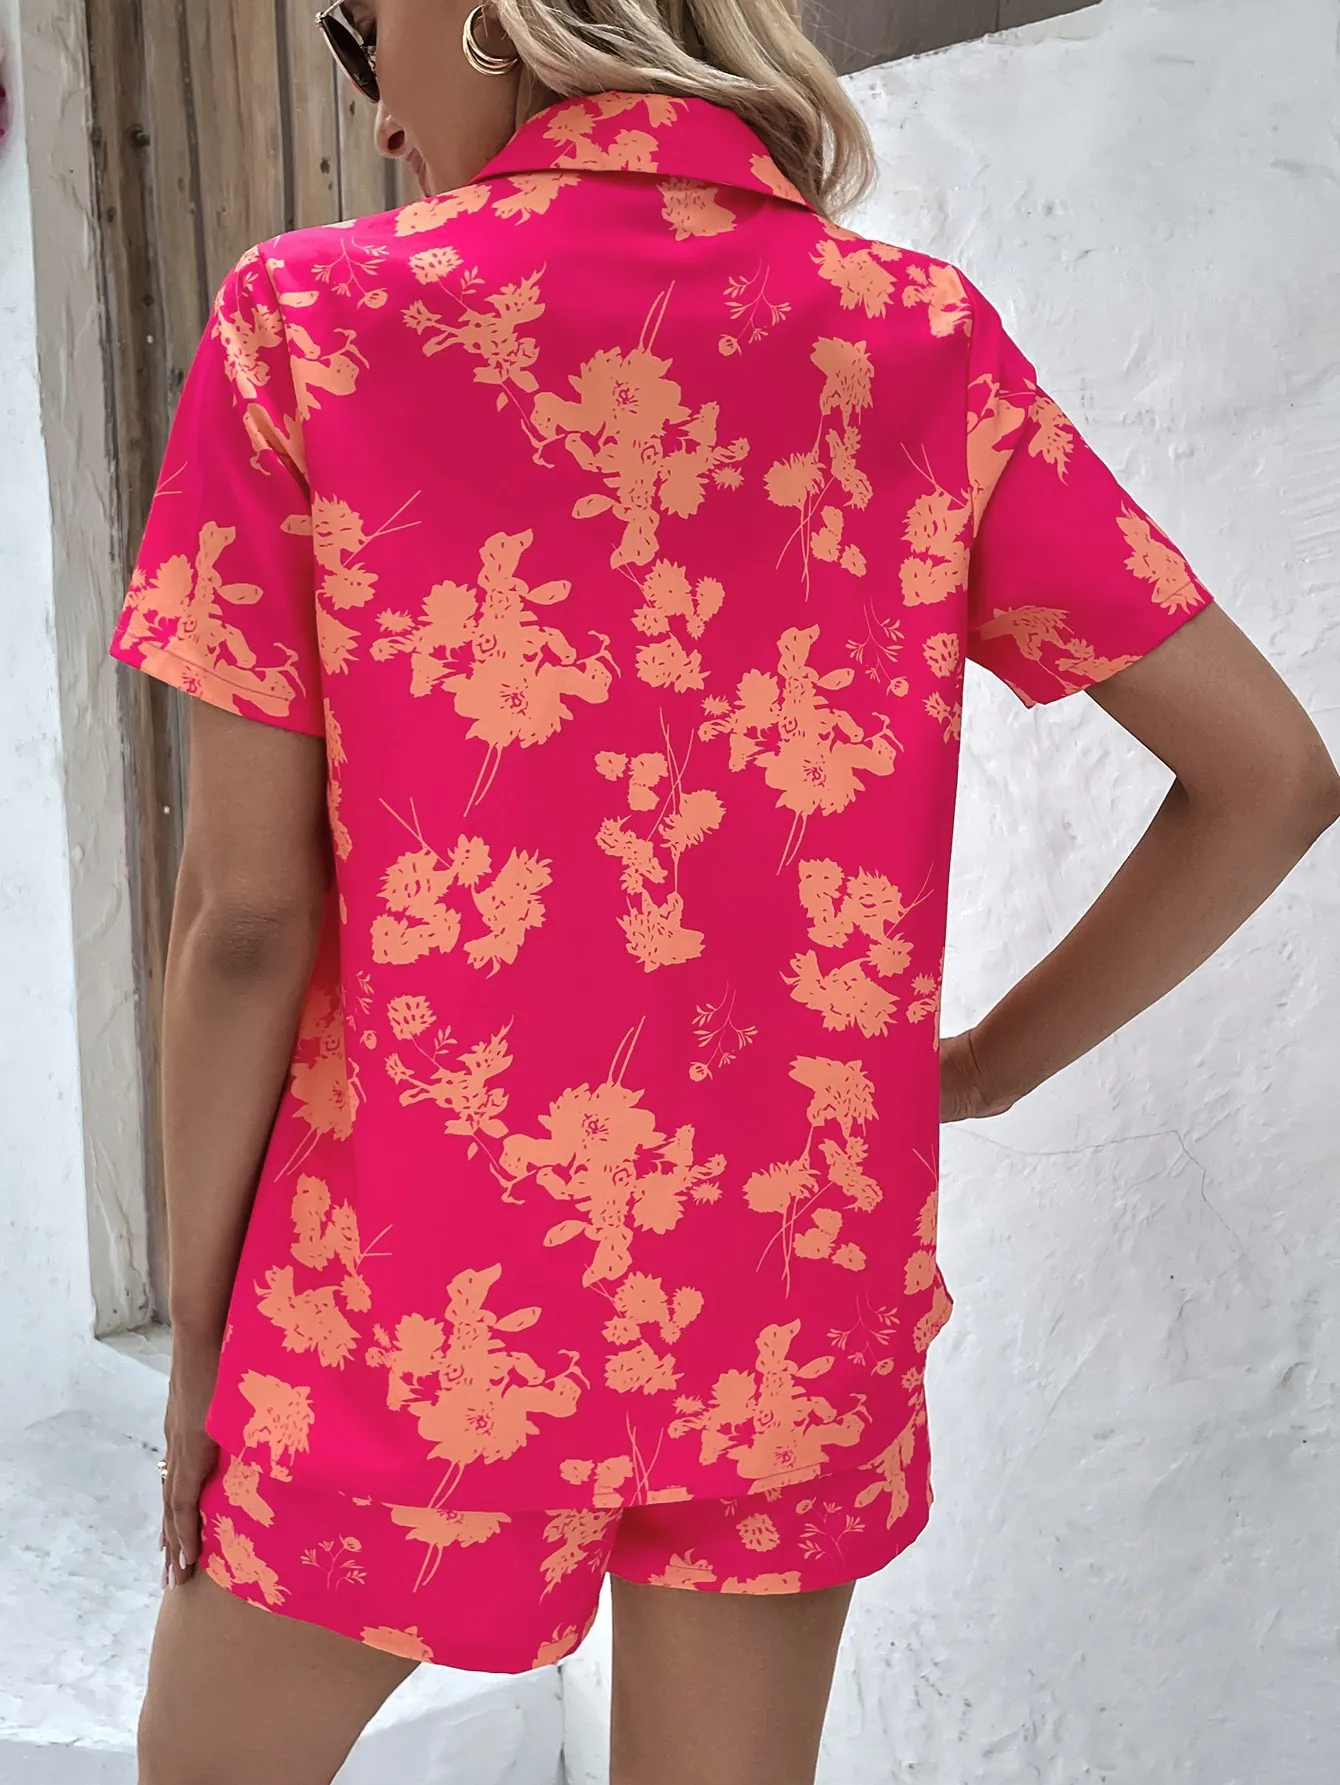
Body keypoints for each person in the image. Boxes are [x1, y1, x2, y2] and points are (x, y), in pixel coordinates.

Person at [109, 2, 1338, 1781]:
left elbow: (245, 919)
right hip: (789, 1304)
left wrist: (203, 1343)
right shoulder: (914, 339)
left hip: (402, 1314)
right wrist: (975, 1073)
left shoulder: (311, 323)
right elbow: (1271, 776)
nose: (376, 119)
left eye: (365, 43)